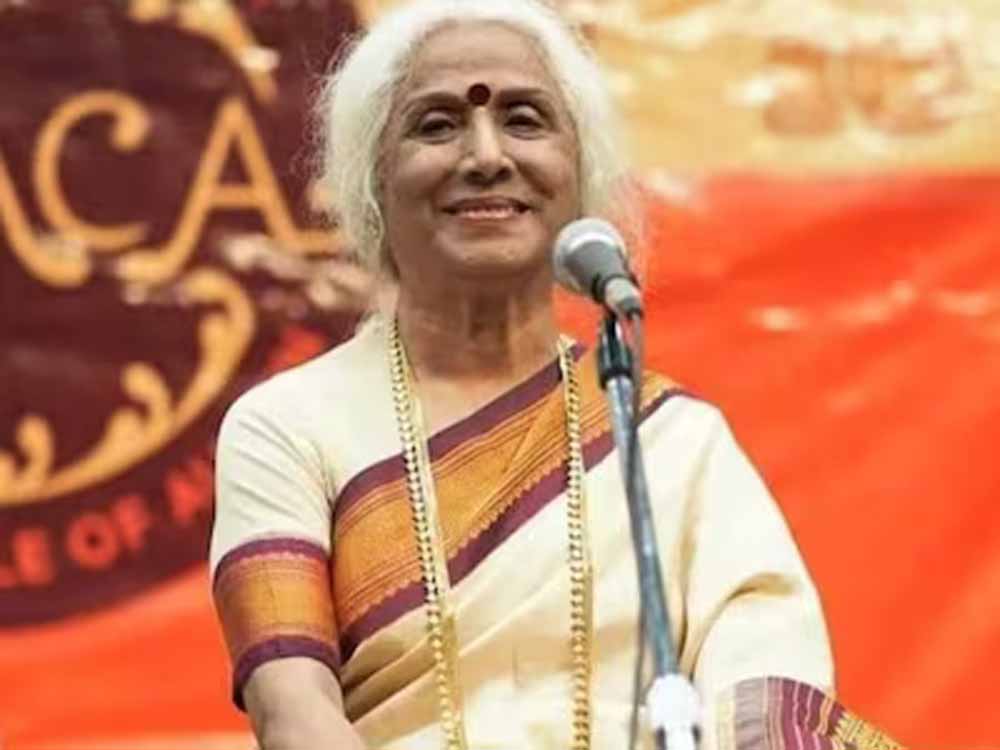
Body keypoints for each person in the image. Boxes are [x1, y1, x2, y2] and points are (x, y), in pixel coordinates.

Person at [209, 1, 900, 749]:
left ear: (579, 174)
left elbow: (765, 688)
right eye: (437, 125)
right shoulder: (289, 425)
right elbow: (292, 708)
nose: (485, 156)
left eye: (524, 120)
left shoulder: (670, 442)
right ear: (374, 182)